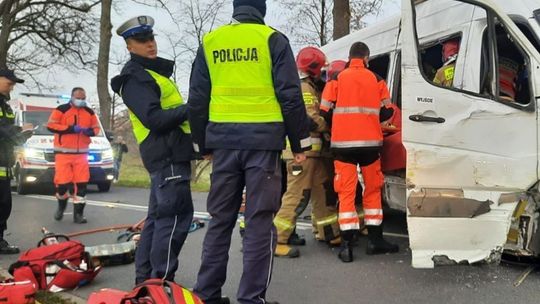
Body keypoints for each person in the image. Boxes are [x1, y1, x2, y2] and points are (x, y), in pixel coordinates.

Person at [188, 0, 312, 302]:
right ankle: (251, 299)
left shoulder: (211, 41)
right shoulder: (273, 40)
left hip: (223, 143)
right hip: (262, 144)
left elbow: (197, 97)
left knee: (220, 220)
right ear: (262, 9)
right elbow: (291, 96)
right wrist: (300, 144)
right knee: (258, 222)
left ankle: (207, 294)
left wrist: (202, 144)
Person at [110, 15, 194, 284]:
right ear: (129, 45)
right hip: (165, 154)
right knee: (174, 220)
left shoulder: (151, 74)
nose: (150, 44)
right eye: (142, 40)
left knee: (158, 220)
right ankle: (161, 283)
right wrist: (194, 107)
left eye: (152, 38)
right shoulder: (134, 77)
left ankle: (146, 283)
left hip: (169, 153)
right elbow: (154, 119)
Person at [320, 42, 398, 263]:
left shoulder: (336, 78)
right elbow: (388, 111)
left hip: (343, 146)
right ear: (366, 58)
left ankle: (346, 246)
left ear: (350, 56)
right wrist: (369, 120)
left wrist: (340, 125)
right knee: (372, 190)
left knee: (346, 193)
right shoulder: (376, 79)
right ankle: (375, 241)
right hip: (370, 146)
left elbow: (324, 111)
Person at [274, 47, 340, 258]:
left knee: (323, 193)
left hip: (315, 154)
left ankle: (328, 233)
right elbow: (309, 119)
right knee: (296, 196)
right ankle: (276, 240)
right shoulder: (303, 87)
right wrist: (330, 126)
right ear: (314, 67)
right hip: (302, 153)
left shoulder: (309, 85)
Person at [47, 87, 100, 224]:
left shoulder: (89, 112)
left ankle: (78, 215)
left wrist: (91, 132)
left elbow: (96, 128)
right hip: (63, 154)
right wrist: (70, 129)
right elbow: (51, 126)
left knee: (82, 185)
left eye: (83, 98)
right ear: (72, 97)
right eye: (78, 98)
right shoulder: (61, 109)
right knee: (62, 184)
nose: (81, 101)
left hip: (82, 154)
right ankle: (61, 207)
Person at [0, 68, 30, 254]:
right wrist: (19, 131)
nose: (11, 88)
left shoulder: (5, 105)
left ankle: (0, 240)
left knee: (3, 204)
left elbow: (8, 134)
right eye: (9, 83)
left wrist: (23, 135)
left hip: (4, 163)